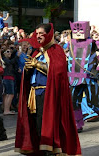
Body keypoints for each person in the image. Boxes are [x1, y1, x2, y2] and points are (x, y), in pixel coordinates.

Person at [15, 23, 81, 155]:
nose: (38, 36)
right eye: (36, 33)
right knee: (35, 126)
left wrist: (38, 64)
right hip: (33, 95)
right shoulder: (35, 52)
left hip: (48, 94)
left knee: (46, 126)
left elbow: (57, 72)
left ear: (48, 34)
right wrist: (27, 70)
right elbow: (29, 76)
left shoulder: (56, 50)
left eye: (41, 33)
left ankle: (50, 151)